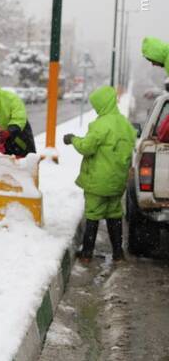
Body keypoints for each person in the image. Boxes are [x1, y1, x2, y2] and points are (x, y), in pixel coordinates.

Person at [63, 86, 136, 262]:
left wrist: (72, 139)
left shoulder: (101, 124)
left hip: (99, 180)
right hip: (117, 179)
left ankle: (87, 254)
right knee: (114, 213)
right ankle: (118, 253)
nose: (95, 109)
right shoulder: (125, 124)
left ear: (102, 104)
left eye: (96, 105)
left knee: (93, 214)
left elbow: (86, 147)